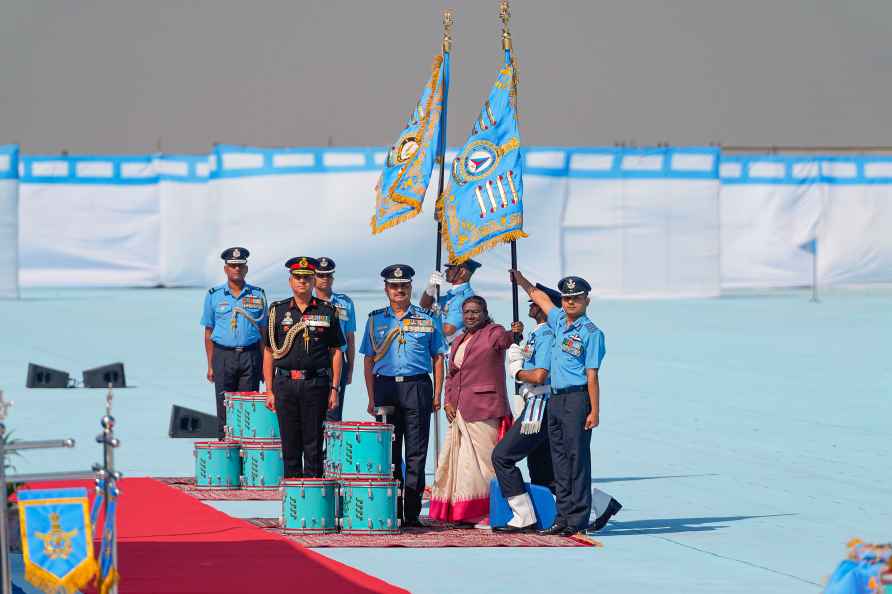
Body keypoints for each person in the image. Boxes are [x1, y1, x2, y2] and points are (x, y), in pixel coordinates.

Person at [510, 270, 617, 536]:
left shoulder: (592, 333)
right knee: (558, 459)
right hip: (555, 399)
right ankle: (563, 516)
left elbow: (592, 376)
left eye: (576, 298)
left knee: (576, 458)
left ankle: (578, 518)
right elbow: (539, 297)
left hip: (578, 398)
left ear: (586, 301)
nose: (570, 302)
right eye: (567, 298)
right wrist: (520, 279)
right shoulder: (558, 321)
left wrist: (595, 410)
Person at [360, 265, 446, 527]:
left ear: (410, 288)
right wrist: (371, 397)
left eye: (404, 286)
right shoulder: (375, 320)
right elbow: (368, 360)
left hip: (417, 386)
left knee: (416, 452)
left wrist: (437, 393)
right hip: (385, 387)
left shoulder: (427, 318)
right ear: (386, 289)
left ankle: (411, 512)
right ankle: (392, 507)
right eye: (394, 286)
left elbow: (438, 357)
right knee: (389, 452)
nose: (399, 290)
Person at [429, 296, 519, 526]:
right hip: (458, 408)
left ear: (485, 312)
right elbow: (452, 375)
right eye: (467, 312)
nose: (470, 316)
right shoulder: (458, 339)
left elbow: (505, 341)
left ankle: (489, 511)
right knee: (458, 464)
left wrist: (515, 333)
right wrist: (448, 401)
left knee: (484, 465)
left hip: (484, 408)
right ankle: (462, 513)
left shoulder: (494, 332)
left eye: (475, 312)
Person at [262, 257, 344, 478]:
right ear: (290, 281)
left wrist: (334, 388)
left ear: (314, 281)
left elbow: (337, 351)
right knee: (290, 446)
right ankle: (294, 504)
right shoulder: (277, 312)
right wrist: (269, 390)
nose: (302, 282)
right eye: (298, 278)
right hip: (285, 384)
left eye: (307, 278)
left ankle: (313, 501)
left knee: (313, 445)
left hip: (315, 384)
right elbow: (269, 352)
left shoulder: (327, 311)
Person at [491, 283, 560, 532]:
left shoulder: (546, 334)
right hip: (535, 402)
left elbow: (540, 375)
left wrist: (517, 370)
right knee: (542, 469)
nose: (530, 304)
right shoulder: (538, 332)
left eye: (535, 302)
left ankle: (523, 514)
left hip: (539, 406)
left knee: (502, 456)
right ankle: (580, 507)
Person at [200, 247, 267, 439]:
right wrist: (210, 365)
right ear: (226, 269)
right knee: (224, 406)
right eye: (232, 265)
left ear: (246, 268)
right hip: (223, 356)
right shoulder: (214, 295)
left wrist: (264, 365)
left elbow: (263, 332)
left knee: (248, 408)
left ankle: (247, 450)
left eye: (240, 265)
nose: (236, 269)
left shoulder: (258, 295)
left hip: (250, 355)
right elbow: (208, 332)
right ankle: (226, 450)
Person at [314, 257, 356, 422]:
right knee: (313, 414)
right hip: (314, 361)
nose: (325, 279)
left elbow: (350, 338)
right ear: (314, 276)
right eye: (321, 275)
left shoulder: (345, 303)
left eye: (328, 275)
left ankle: (331, 449)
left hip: (337, 363)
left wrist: (351, 368)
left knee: (333, 413)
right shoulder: (305, 302)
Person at [419, 259, 481, 341]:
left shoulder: (463, 298)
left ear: (462, 272)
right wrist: (431, 286)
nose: (446, 270)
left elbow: (448, 330)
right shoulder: (453, 295)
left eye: (451, 268)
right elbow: (425, 304)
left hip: (451, 349)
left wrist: (419, 325)